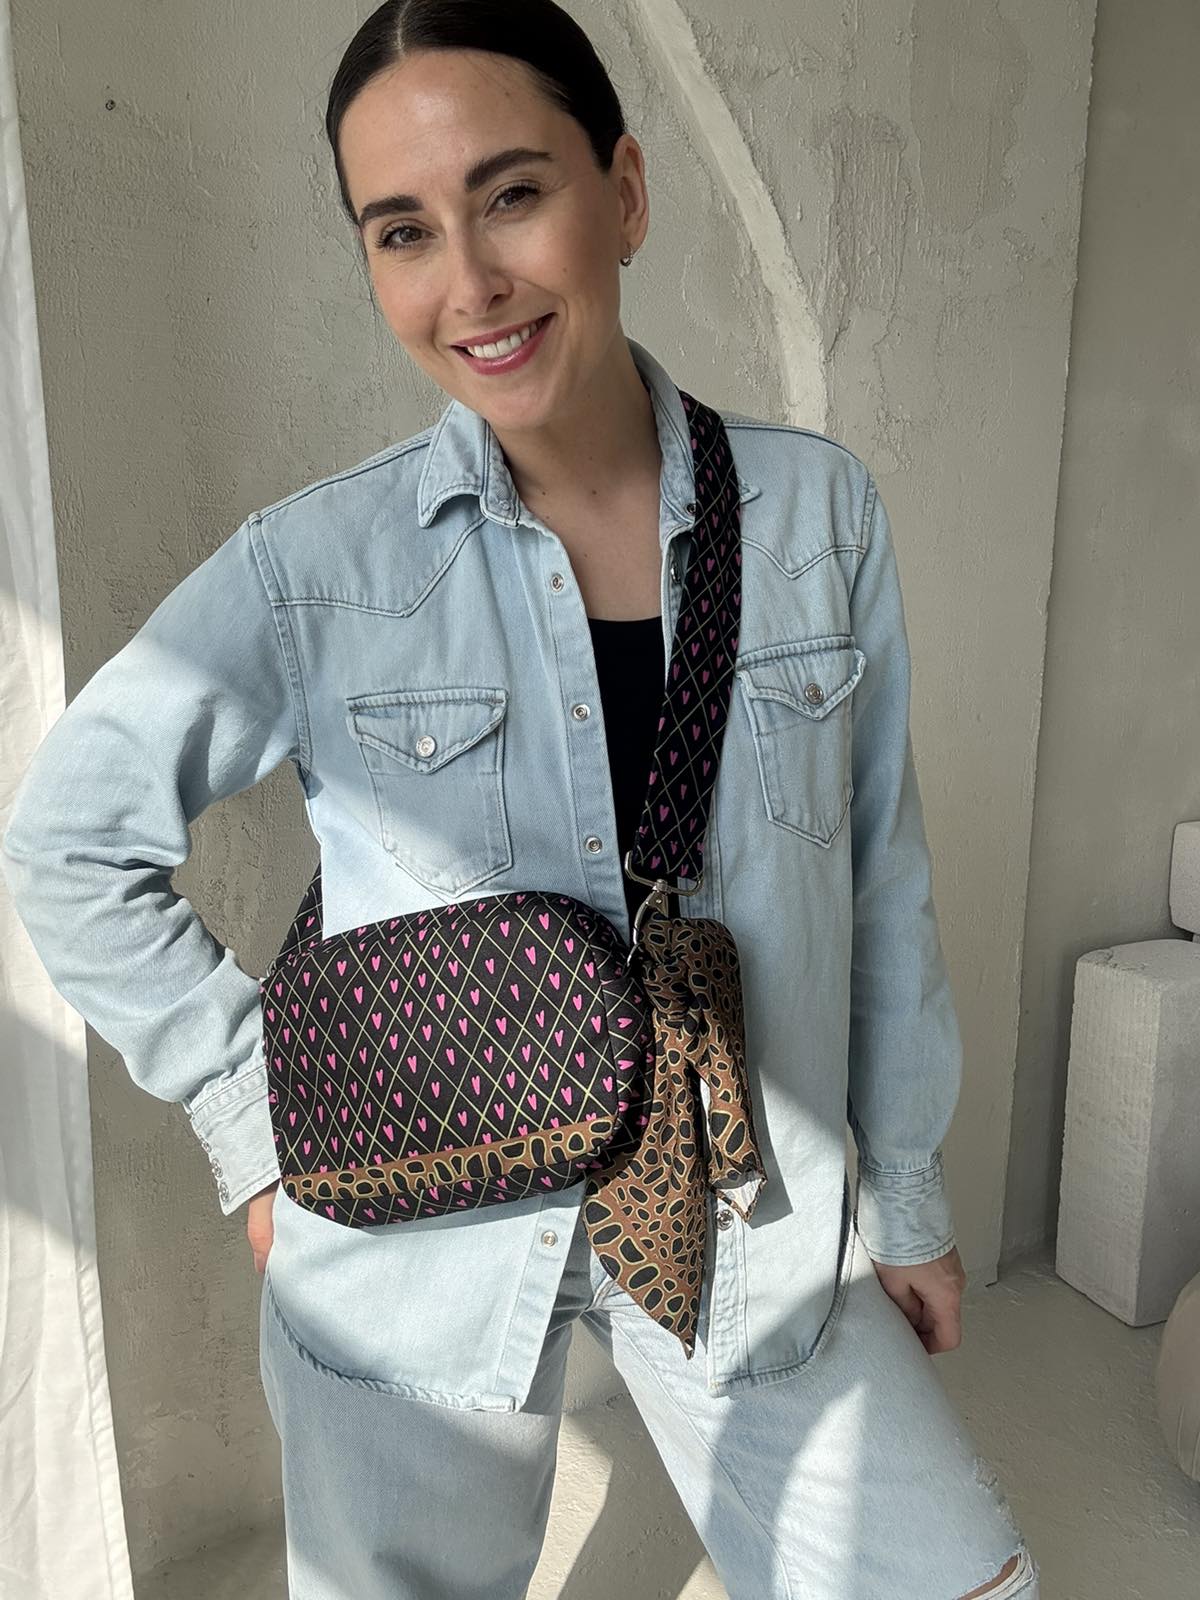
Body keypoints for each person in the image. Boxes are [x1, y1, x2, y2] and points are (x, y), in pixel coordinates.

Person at [0, 2, 1041, 1595]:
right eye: (403, 231)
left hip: (744, 1215)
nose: (469, 282)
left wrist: (903, 1203)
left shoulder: (816, 514)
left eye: (512, 194)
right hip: (412, 1238)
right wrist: (250, 1128)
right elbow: (69, 839)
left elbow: (880, 884)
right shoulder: (316, 569)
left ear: (622, 191)